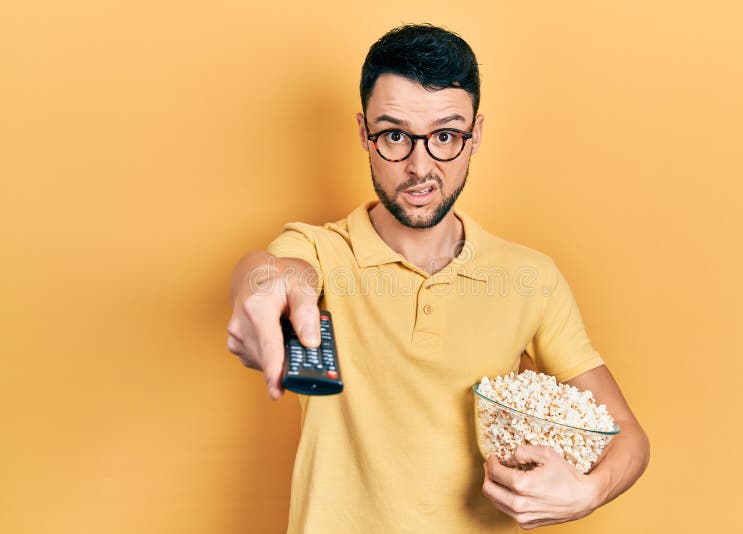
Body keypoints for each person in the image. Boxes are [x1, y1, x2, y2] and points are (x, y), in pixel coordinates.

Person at [227, 24, 649, 533]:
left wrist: (587, 492)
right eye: (395, 136)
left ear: (477, 135)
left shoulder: (530, 278)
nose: (420, 166)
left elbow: (627, 434)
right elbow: (272, 271)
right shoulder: (322, 250)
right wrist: (263, 290)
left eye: (446, 136)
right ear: (363, 133)